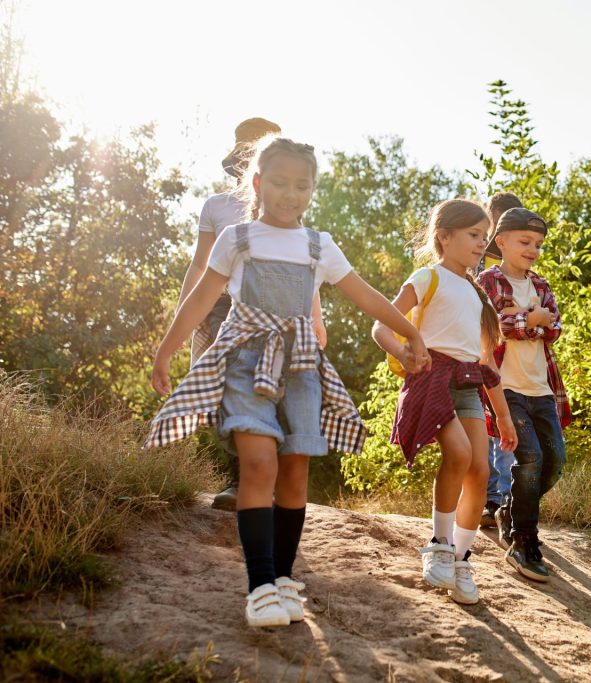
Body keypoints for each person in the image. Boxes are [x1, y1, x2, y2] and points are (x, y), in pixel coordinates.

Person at [147, 137, 428, 627]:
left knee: (295, 471)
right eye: (279, 182)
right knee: (259, 464)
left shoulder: (319, 245)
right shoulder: (238, 238)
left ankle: (282, 578)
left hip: (300, 366)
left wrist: (411, 332)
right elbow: (201, 297)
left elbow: (366, 295)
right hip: (245, 362)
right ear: (258, 183)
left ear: (313, 190)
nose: (290, 194)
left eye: (302, 185)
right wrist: (166, 350)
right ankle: (260, 587)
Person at [177, 117, 328, 512]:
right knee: (233, 380)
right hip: (223, 304)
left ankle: (265, 475)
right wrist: (183, 313)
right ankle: (240, 476)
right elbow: (200, 264)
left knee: (274, 386)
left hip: (278, 308)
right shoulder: (216, 206)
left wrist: (316, 316)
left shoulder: (286, 205)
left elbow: (304, 267)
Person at [372, 198, 517, 605]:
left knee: (480, 471)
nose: (481, 243)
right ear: (444, 236)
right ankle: (438, 545)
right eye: (474, 235)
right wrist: (403, 353)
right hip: (431, 379)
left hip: (468, 384)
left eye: (485, 237)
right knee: (458, 454)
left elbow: (486, 363)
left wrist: (503, 416)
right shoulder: (427, 277)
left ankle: (460, 559)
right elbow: (381, 326)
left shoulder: (478, 295)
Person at [477, 208, 572, 582]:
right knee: (529, 457)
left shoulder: (541, 285)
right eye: (525, 242)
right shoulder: (488, 281)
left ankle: (508, 511)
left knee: (555, 461)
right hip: (506, 388)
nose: (533, 250)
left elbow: (555, 328)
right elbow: (493, 328)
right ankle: (522, 541)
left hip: (542, 388)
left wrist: (528, 319)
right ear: (501, 242)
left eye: (538, 244)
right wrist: (531, 318)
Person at [477, 192, 523, 529]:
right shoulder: (476, 253)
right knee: (482, 424)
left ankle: (503, 500)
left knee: (501, 421)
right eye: (501, 219)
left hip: (504, 353)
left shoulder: (512, 260)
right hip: (473, 349)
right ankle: (490, 498)